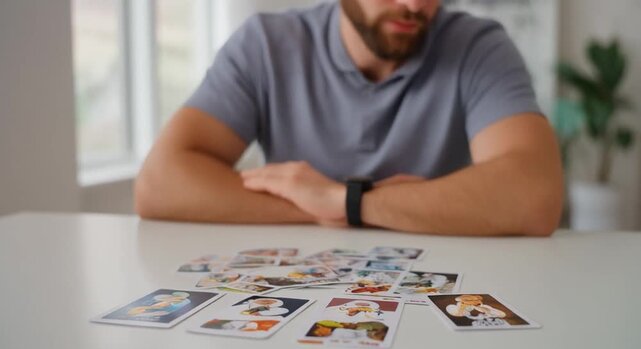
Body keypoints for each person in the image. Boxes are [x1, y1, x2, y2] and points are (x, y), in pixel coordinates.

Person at [135, 0, 563, 236]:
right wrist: (325, 207)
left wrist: (348, 201)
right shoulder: (266, 45)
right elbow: (160, 183)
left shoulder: (478, 47)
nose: (415, 4)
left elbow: (534, 194)